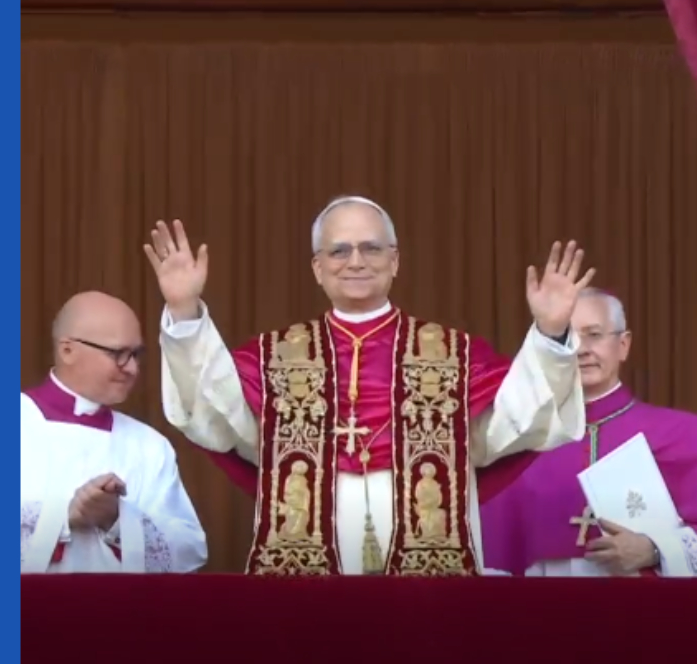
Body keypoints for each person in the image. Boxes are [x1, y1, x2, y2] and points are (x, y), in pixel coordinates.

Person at [143, 196, 592, 576]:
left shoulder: (453, 355)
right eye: (339, 251)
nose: (355, 261)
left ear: (394, 261)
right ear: (317, 267)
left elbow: (511, 425)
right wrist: (185, 312)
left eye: (371, 248)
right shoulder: (275, 357)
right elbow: (218, 417)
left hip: (427, 579)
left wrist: (550, 334)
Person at [482, 288, 697, 576]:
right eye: (568, 338)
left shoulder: (683, 434)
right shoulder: (517, 440)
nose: (582, 349)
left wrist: (654, 549)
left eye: (594, 334)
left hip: (644, 600)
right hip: (541, 599)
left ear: (623, 345)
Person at [20, 291, 208, 574]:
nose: (131, 368)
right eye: (117, 353)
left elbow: (190, 551)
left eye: (135, 355)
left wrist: (118, 520)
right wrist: (63, 516)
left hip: (119, 603)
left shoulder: (150, 446)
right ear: (67, 350)